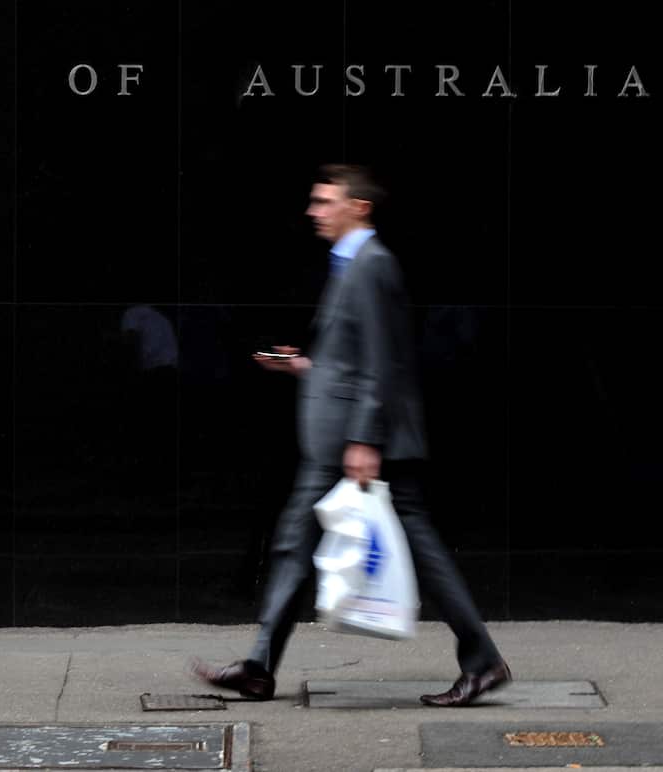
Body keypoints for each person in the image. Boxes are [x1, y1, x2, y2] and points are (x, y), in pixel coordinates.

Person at [191, 164, 510, 707]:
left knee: (416, 548)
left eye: (325, 202)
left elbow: (384, 360)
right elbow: (353, 358)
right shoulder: (351, 264)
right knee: (293, 548)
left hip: (361, 444)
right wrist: (302, 366)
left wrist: (364, 439)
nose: (314, 211)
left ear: (357, 207)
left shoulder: (373, 263)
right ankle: (259, 667)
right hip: (338, 440)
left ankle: (482, 660)